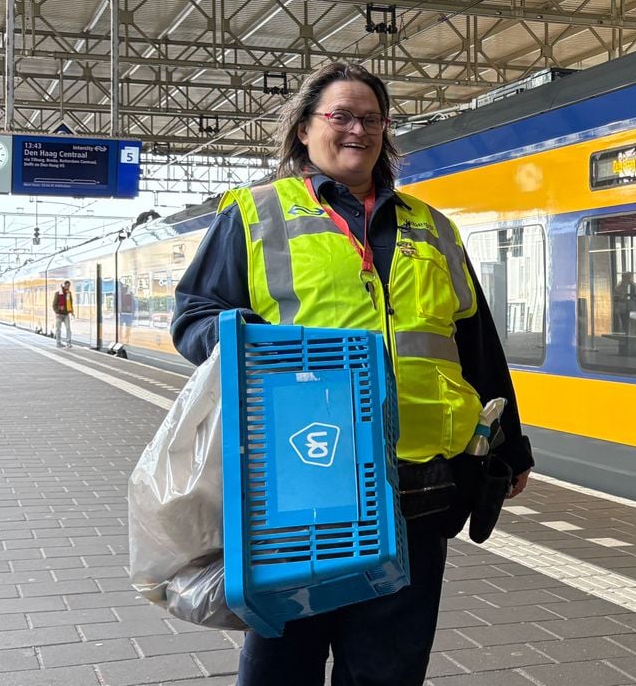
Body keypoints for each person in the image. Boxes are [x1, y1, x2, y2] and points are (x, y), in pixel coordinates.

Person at [170, 61, 534, 686]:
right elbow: (195, 317)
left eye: (371, 118)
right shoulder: (255, 213)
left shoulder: (433, 227)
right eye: (340, 116)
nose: (356, 130)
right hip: (300, 482)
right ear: (305, 128)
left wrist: (512, 446)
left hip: (418, 485)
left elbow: (477, 346)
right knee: (282, 662)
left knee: (389, 669)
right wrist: (256, 345)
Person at [53, 280, 74, 348]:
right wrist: (56, 312)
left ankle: (68, 342)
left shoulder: (69, 293)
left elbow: (70, 303)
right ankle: (58, 343)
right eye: (66, 285)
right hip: (59, 314)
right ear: (63, 285)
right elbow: (54, 304)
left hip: (66, 314)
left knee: (68, 329)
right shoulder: (58, 293)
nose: (68, 287)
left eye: (69, 285)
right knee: (58, 329)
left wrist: (72, 312)